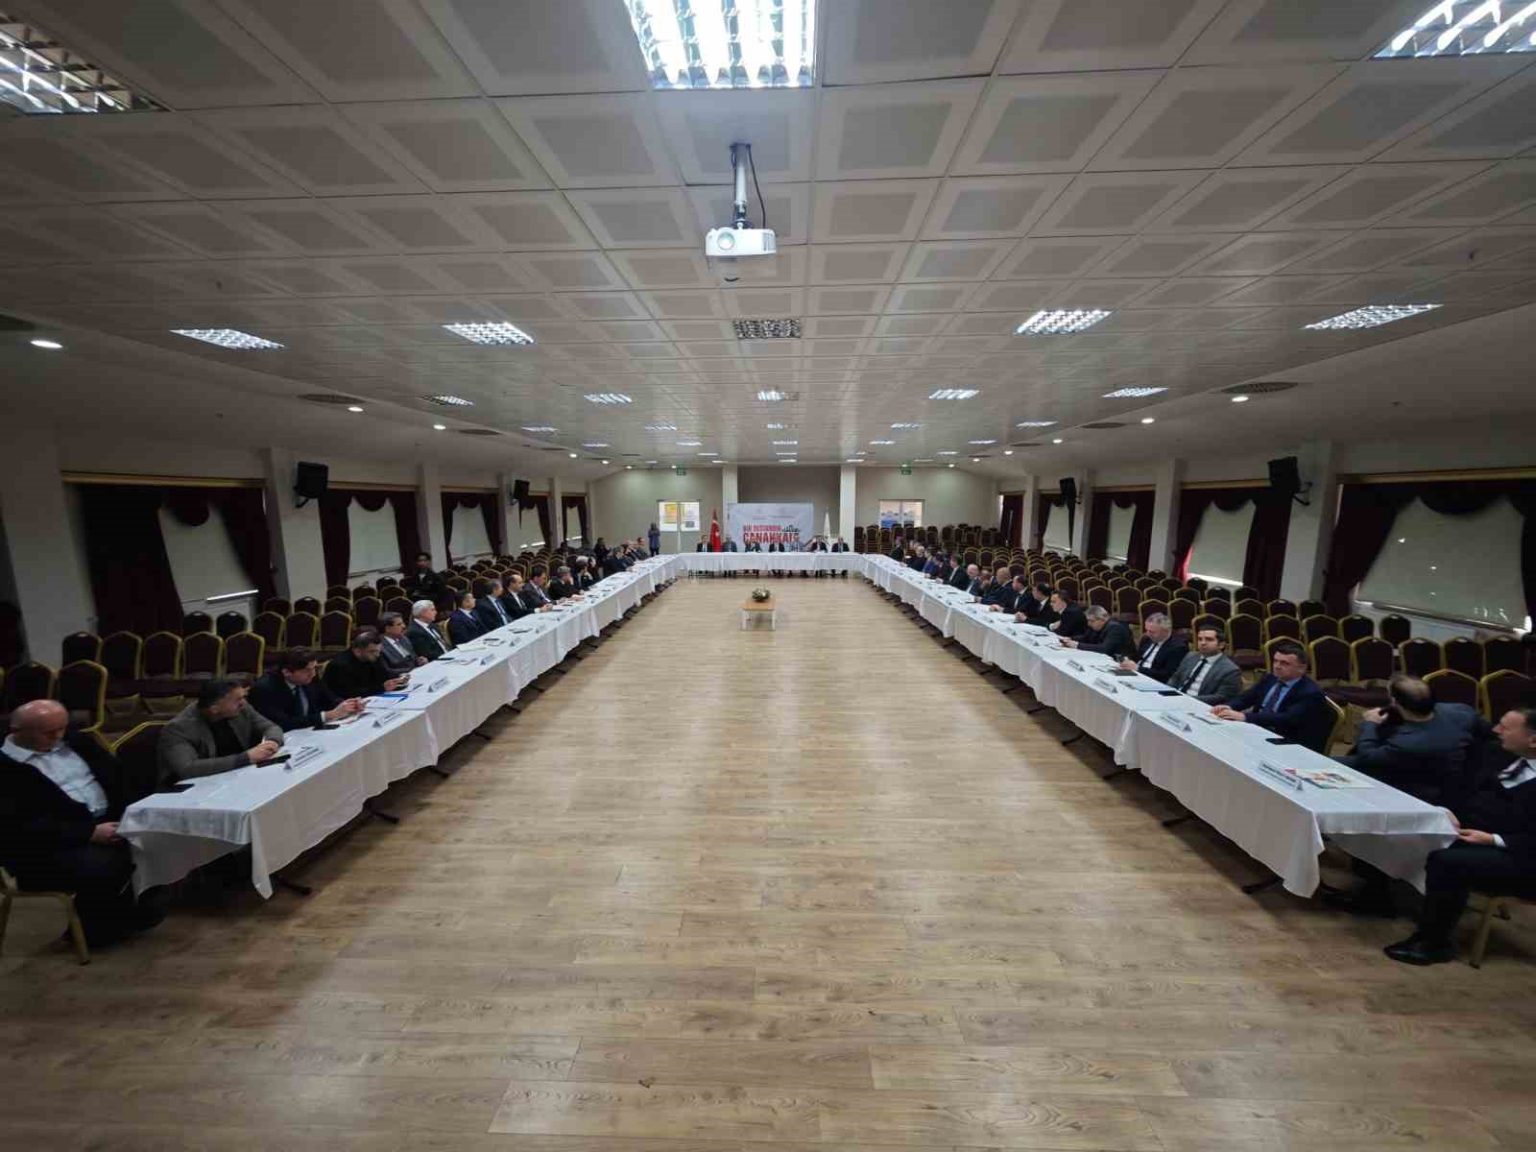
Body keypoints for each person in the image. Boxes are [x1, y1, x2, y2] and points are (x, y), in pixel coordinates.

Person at [0, 699, 165, 946]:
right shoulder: (6, 770)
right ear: (17, 732)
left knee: (158, 842)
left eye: (62, 728)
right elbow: (19, 828)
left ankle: (133, 916)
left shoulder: (77, 742)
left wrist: (132, 815)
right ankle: (97, 930)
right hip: (47, 848)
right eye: (48, 732)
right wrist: (88, 832)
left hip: (105, 823)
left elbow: (117, 776)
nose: (58, 736)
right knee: (112, 862)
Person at [1384, 706, 1536, 966]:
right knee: (1403, 818)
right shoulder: (1500, 753)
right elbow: (1465, 787)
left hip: (1522, 856)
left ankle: (1435, 943)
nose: (1496, 730)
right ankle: (1376, 895)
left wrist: (1492, 839)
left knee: (1448, 862)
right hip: (1477, 829)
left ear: (1532, 740)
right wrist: (1446, 810)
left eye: (1505, 728)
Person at [1339, 675, 1483, 805]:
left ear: (1394, 701)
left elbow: (1367, 758)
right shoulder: (1462, 711)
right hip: (1454, 775)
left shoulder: (1407, 743)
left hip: (1418, 784)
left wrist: (1371, 723)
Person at [1212, 639, 1334, 752]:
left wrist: (1245, 716)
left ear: (1301, 668)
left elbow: (1286, 719)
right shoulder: (1271, 678)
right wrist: (1229, 706)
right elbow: (1247, 697)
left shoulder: (1310, 693)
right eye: (1275, 661)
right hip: (1259, 729)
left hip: (1288, 740)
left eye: (1284, 663)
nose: (1277, 666)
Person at [159, 678, 284, 783]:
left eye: (243, 697)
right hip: (194, 786)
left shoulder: (242, 708)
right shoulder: (178, 728)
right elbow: (188, 769)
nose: (243, 703)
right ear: (215, 709)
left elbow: (271, 727)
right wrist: (246, 758)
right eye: (237, 700)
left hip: (235, 775)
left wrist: (272, 741)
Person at [249, 648, 365, 731]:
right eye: (307, 670)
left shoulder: (310, 677)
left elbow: (329, 698)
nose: (313, 674)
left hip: (310, 732)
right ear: (287, 672)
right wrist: (327, 715)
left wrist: (348, 705)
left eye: (314, 668)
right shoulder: (264, 689)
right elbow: (284, 723)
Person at [323, 630, 410, 699]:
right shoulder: (340, 665)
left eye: (378, 651)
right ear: (357, 651)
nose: (377, 655)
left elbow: (383, 674)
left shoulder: (373, 656)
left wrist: (397, 679)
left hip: (372, 698)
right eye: (372, 651)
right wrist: (381, 688)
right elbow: (349, 693)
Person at [1168, 625, 1243, 705]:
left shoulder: (1230, 670)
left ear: (1221, 645)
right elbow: (1175, 678)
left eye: (1209, 639)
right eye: (1200, 639)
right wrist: (1167, 692)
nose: (1203, 643)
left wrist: (1186, 699)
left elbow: (1222, 697)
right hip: (1176, 700)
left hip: (1199, 705)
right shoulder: (1190, 656)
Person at [1120, 613, 1187, 683]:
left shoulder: (1178, 648)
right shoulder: (1146, 639)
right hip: (1134, 674)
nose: (1148, 634)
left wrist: (1138, 668)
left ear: (1165, 631)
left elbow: (1166, 675)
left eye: (1152, 632)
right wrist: (1126, 660)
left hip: (1152, 680)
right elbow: (1137, 657)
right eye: (1147, 630)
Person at [1061, 605, 1136, 659]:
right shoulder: (1097, 626)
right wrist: (1070, 639)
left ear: (1102, 619)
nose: (1089, 624)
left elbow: (1105, 649)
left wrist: (1077, 645)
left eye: (1091, 621)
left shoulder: (1116, 628)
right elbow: (1086, 638)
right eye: (1088, 621)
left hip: (1121, 661)